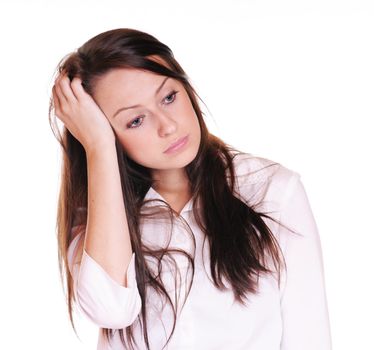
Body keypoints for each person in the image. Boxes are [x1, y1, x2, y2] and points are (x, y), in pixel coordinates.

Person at [49, 28, 332, 350]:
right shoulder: (100, 217)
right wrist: (99, 147)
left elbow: (309, 334)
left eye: (169, 97)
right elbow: (111, 310)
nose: (167, 125)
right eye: (135, 121)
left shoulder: (271, 190)